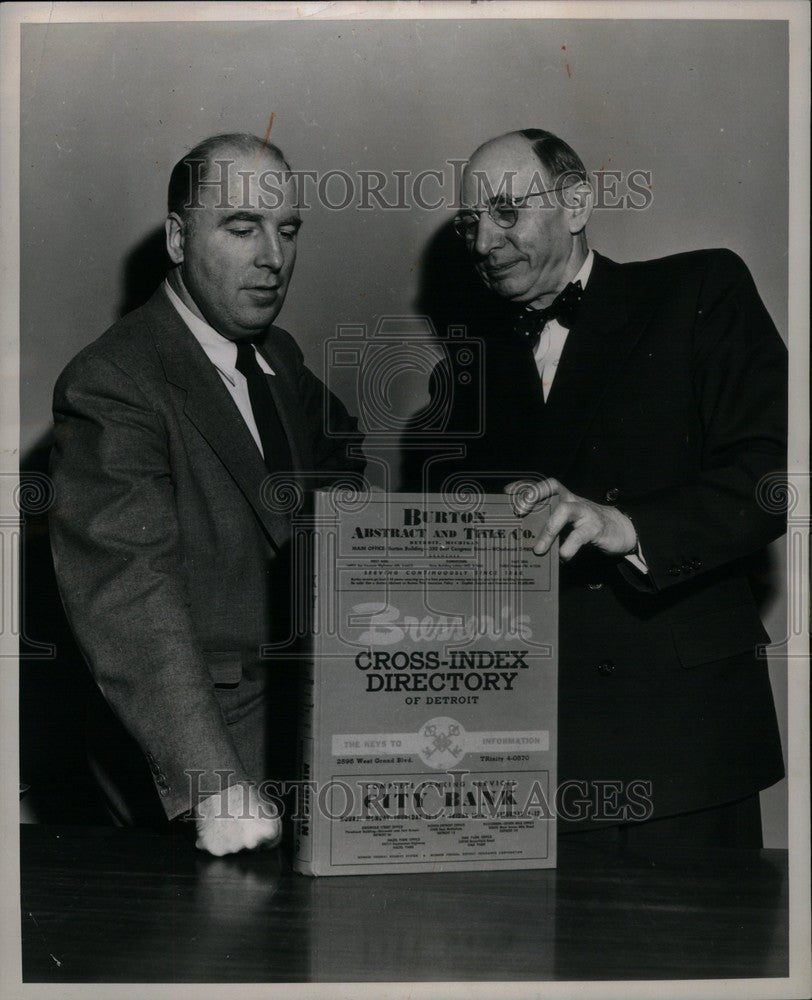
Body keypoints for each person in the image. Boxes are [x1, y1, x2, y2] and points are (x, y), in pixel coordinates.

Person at [412, 128, 786, 846]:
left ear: (577, 203)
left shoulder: (701, 289)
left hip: (682, 749)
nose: (485, 241)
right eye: (471, 223)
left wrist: (627, 525)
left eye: (506, 212)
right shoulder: (458, 378)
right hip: (527, 762)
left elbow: (773, 474)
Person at [49, 133, 364, 856]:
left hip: (306, 735)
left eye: (287, 231)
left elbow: (340, 447)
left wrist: (343, 543)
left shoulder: (275, 354)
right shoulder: (112, 381)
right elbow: (128, 592)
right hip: (197, 767)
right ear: (176, 237)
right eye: (241, 227)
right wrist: (213, 784)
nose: (273, 258)